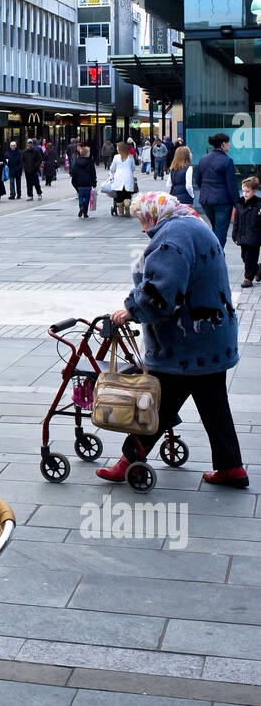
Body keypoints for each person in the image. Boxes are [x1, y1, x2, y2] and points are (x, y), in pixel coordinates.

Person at [96, 191, 248, 490]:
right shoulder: (191, 223)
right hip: (212, 339)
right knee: (213, 402)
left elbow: (161, 293)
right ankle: (232, 468)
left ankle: (129, 461)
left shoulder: (172, 238)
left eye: (142, 220)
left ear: (154, 213)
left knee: (158, 402)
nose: (142, 228)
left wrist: (130, 309)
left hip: (186, 343)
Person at [197, 132, 241, 248]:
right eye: (228, 142)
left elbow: (198, 180)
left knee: (215, 228)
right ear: (223, 144)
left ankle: (212, 255)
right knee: (221, 231)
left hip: (206, 200)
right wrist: (238, 204)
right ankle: (217, 257)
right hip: (222, 202)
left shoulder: (203, 159)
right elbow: (232, 186)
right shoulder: (227, 161)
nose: (230, 145)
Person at [232, 176, 261, 288]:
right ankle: (258, 270)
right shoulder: (240, 204)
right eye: (243, 191)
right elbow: (236, 221)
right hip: (242, 236)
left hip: (254, 237)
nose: (245, 194)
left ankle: (248, 279)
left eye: (247, 191)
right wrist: (234, 234)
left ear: (254, 191)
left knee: (250, 257)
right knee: (244, 256)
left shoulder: (258, 205)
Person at [108, 140, 136, 216]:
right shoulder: (130, 156)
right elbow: (133, 168)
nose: (117, 148)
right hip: (128, 178)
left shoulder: (116, 157)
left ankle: (120, 211)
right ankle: (127, 206)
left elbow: (112, 168)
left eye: (117, 147)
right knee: (127, 194)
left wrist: (112, 174)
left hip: (118, 178)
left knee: (119, 195)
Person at [70, 144, 97, 218]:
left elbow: (74, 173)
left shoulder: (77, 162)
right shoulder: (90, 162)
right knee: (87, 198)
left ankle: (81, 206)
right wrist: (94, 183)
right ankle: (85, 212)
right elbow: (93, 174)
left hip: (80, 183)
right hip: (88, 183)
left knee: (81, 196)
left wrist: (74, 182)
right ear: (87, 154)